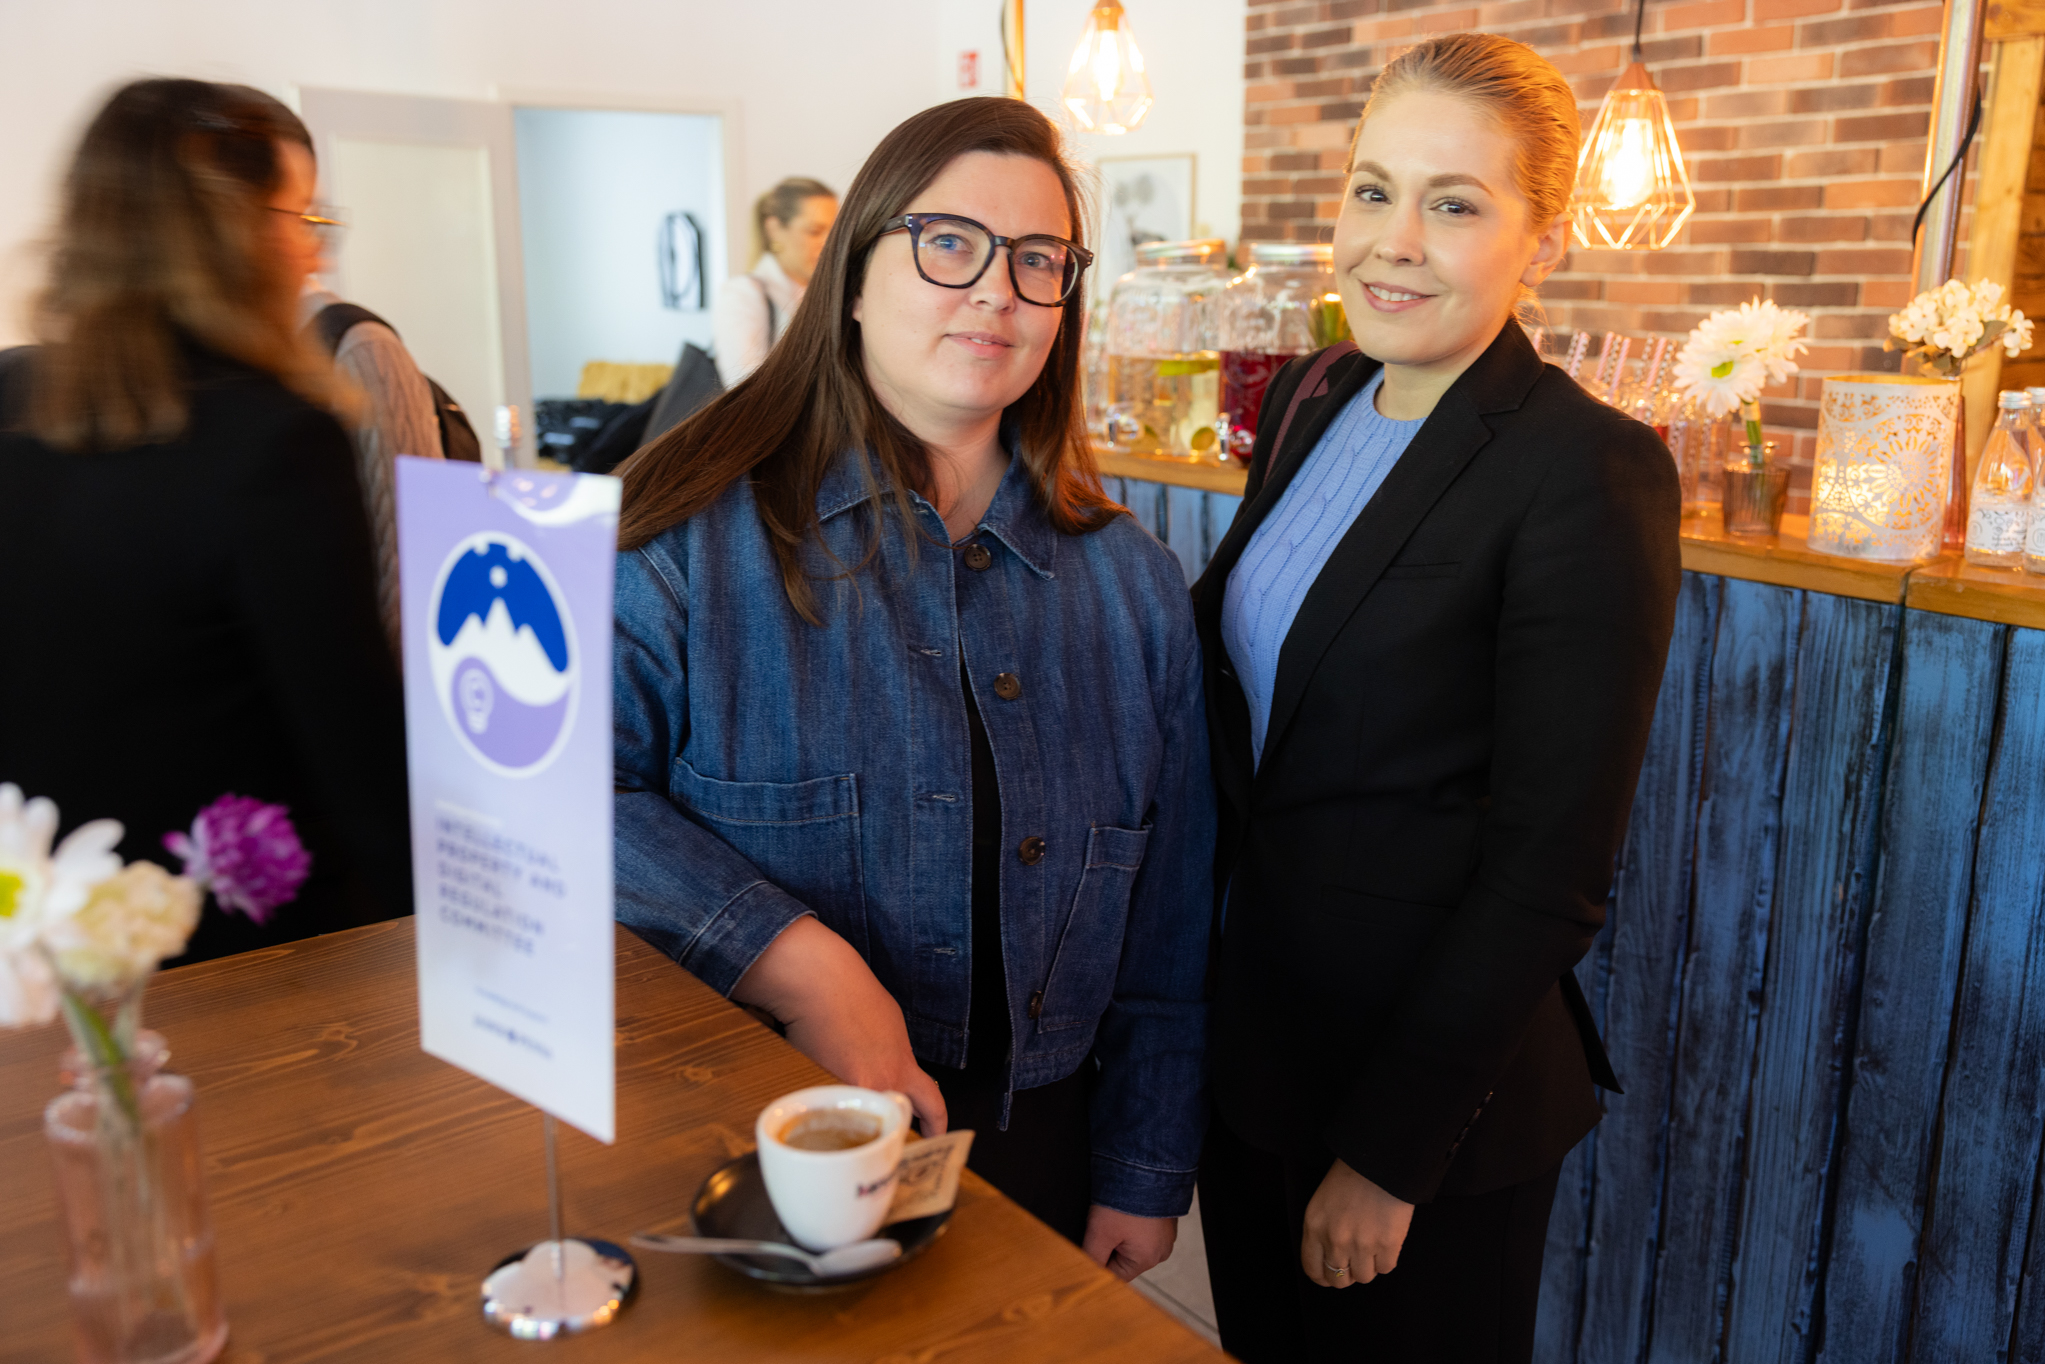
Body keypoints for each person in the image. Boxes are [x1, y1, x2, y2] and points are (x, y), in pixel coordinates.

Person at [612, 97, 1211, 1278]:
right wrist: (803, 963)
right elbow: (553, 799)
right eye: (948, 243)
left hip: (1036, 1156)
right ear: (849, 275)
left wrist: (1141, 1167)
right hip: (751, 1140)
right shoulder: (689, 538)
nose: (995, 291)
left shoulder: (1132, 584)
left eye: (1037, 260)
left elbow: (1171, 916)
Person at [1191, 34, 1681, 1363]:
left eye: (1453, 205)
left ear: (1543, 240)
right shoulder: (1314, 395)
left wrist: (1388, 1155)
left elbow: (1550, 868)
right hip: (1255, 1054)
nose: (1391, 242)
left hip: (1417, 1117)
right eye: (1371, 189)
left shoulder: (1585, 468)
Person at [0, 78, 413, 965]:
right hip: (242, 956)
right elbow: (359, 756)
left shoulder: (13, 396)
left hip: (50, 936)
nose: (314, 253)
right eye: (301, 216)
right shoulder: (276, 443)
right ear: (229, 233)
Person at [711, 176, 836, 383]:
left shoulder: (826, 293)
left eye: (835, 232)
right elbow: (744, 386)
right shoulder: (744, 294)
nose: (829, 243)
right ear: (774, 230)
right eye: (814, 232)